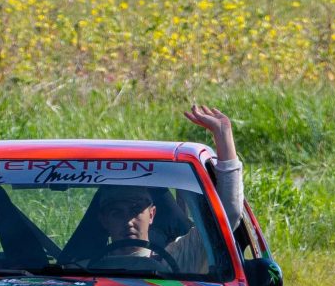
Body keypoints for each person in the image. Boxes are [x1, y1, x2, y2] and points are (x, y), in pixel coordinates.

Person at [92, 104, 243, 272]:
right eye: (117, 213)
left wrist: (223, 135)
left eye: (135, 210)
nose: (128, 222)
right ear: (103, 220)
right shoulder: (79, 272)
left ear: (152, 214)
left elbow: (227, 214)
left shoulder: (178, 259)